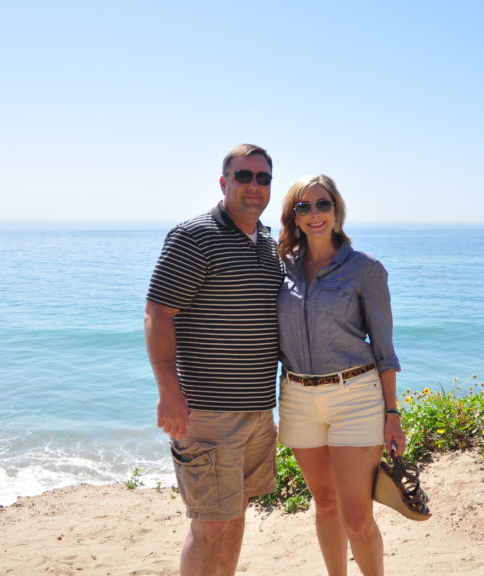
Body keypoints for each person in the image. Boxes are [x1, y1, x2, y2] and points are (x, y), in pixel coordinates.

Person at [144, 144, 283, 576]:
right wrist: (169, 391)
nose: (254, 186)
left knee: (236, 515)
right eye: (244, 176)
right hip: (208, 412)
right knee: (210, 526)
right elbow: (158, 312)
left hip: (258, 410)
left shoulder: (267, 242)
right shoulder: (194, 236)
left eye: (263, 178)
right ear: (224, 183)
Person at [276, 174, 404, 576]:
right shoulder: (280, 269)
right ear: (293, 216)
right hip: (298, 399)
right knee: (325, 504)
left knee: (357, 517)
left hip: (355, 397)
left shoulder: (365, 270)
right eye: (304, 207)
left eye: (323, 204)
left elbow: (384, 347)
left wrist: (392, 412)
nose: (314, 214)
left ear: (337, 211)